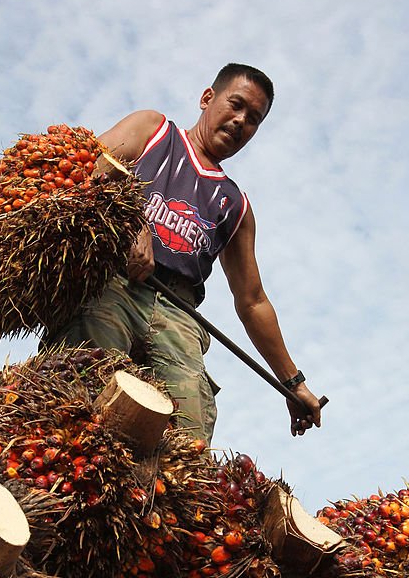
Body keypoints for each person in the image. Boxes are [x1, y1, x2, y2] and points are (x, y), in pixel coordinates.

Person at [56, 63, 322, 444]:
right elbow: (88, 164)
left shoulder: (235, 206)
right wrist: (130, 221)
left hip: (178, 312)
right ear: (207, 98)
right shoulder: (153, 130)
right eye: (236, 104)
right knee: (86, 384)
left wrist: (293, 382)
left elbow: (252, 302)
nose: (240, 120)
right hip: (113, 283)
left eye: (254, 118)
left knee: (189, 433)